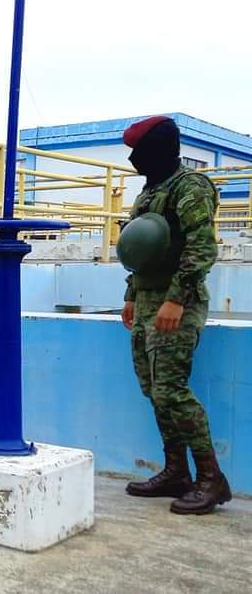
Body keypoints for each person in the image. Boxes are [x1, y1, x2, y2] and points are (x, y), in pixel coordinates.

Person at [119, 115, 230, 514]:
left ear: (159, 150)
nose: (133, 158)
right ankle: (176, 472)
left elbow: (201, 249)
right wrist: (132, 295)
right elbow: (140, 252)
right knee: (153, 389)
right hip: (148, 297)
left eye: (138, 151)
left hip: (175, 301)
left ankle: (211, 478)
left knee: (171, 390)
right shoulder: (149, 192)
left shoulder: (190, 187)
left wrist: (177, 299)